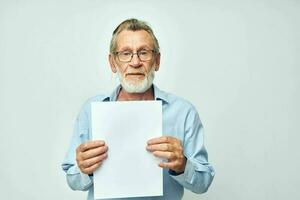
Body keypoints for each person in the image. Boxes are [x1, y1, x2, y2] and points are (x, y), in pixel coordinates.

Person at [62, 18, 215, 200]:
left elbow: (203, 183)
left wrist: (183, 165)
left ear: (157, 61)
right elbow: (72, 179)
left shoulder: (183, 112)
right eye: (125, 53)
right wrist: (84, 169)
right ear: (113, 63)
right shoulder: (91, 110)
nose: (135, 62)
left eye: (144, 53)